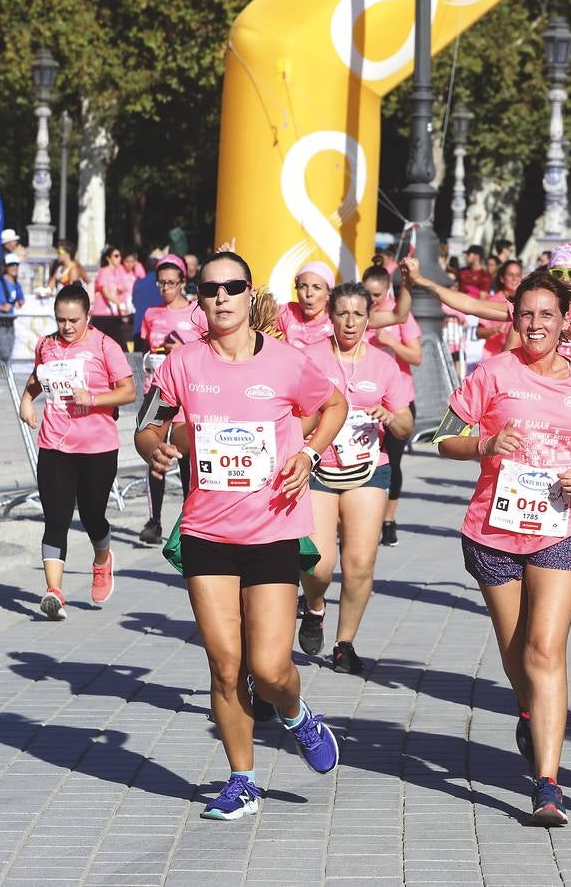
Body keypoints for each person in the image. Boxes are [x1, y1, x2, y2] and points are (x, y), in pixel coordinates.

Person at [135, 250, 348, 821]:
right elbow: (148, 423)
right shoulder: (182, 363)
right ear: (199, 299)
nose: (221, 296)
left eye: (232, 287)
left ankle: (298, 715)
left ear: (249, 295)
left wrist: (308, 452)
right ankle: (242, 780)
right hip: (207, 530)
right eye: (210, 289)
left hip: (273, 528)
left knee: (270, 668)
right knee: (225, 665)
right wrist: (154, 447)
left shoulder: (286, 362)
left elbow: (334, 404)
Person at [435, 270, 571, 827]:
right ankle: (530, 711)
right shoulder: (491, 373)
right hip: (494, 530)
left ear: (565, 322)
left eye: (547, 315)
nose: (536, 324)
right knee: (516, 655)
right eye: (526, 314)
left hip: (563, 527)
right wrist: (483, 443)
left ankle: (549, 783)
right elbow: (441, 438)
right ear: (515, 318)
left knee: (543, 650)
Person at [297, 283, 414, 674]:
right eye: (342, 313)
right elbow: (291, 410)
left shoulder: (384, 364)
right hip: (318, 465)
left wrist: (390, 417)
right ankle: (314, 607)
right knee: (318, 564)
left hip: (368, 468)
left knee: (360, 562)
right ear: (330, 317)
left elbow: (405, 424)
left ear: (370, 318)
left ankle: (344, 644)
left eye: (358, 314)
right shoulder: (309, 358)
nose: (350, 322)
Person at [18, 284, 137, 621]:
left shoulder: (104, 345)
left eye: (73, 320)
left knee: (91, 516)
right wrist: (27, 400)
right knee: (55, 518)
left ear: (88, 316)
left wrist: (94, 399)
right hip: (54, 444)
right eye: (61, 320)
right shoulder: (47, 345)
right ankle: (54, 592)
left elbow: (129, 391)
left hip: (97, 446)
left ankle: (102, 560)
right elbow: (37, 377)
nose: (67, 327)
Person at [137, 255, 203, 545]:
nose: (165, 288)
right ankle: (155, 521)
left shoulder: (196, 313)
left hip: (187, 394)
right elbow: (145, 350)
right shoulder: (151, 314)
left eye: (171, 283)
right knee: (155, 455)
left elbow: (206, 351)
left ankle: (191, 519)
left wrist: (182, 348)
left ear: (183, 283)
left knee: (187, 458)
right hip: (158, 393)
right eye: (161, 283)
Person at [362, 258, 422, 548]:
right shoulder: (360, 317)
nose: (371, 300)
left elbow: (417, 357)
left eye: (376, 295)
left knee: (393, 463)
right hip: (365, 400)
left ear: (387, 289)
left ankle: (388, 519)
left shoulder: (401, 317)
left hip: (398, 399)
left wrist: (392, 343)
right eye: (367, 294)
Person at [277, 262, 335, 349]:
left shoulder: (337, 322)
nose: (309, 293)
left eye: (316, 287)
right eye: (303, 286)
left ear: (328, 294)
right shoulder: (285, 313)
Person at [92, 246, 136, 346]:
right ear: (108, 258)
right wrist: (120, 304)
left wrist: (122, 308)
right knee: (101, 344)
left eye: (120, 256)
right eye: (116, 256)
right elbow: (105, 292)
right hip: (102, 314)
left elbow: (117, 293)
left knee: (117, 343)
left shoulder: (116, 273)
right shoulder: (104, 271)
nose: (119, 258)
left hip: (112, 314)